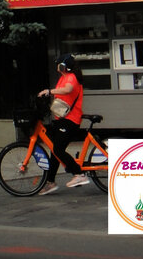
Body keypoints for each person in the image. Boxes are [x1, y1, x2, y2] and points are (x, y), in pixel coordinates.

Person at [37, 53, 89, 195]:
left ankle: (79, 175)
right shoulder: (64, 78)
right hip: (62, 119)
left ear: (63, 66)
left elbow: (68, 90)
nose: (57, 66)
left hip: (70, 120)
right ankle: (51, 182)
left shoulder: (71, 78)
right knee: (55, 150)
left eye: (58, 64)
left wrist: (49, 91)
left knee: (58, 150)